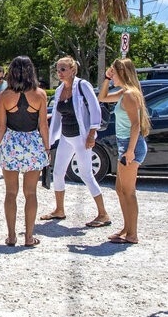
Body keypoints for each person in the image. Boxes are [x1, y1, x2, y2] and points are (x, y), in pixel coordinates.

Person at [42, 56, 111, 228]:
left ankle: (103, 214)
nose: (60, 73)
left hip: (81, 136)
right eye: (58, 69)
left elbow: (95, 109)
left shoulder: (82, 86)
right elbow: (59, 113)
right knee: (57, 172)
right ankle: (59, 209)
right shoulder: (59, 90)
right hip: (66, 136)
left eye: (63, 69)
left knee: (86, 174)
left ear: (73, 70)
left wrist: (91, 133)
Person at [0, 56, 50, 247]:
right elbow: (43, 125)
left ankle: (11, 237)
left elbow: (1, 127)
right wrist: (47, 147)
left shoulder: (4, 96)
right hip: (33, 143)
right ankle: (29, 237)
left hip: (11, 142)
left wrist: (1, 149)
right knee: (31, 193)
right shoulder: (41, 95)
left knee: (10, 193)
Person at [98, 57, 151, 245]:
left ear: (122, 73)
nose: (112, 76)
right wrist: (105, 78)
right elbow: (102, 97)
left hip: (132, 145)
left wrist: (129, 151)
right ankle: (126, 228)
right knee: (120, 190)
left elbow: (136, 125)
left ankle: (133, 234)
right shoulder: (123, 92)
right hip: (124, 143)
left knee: (129, 191)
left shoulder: (130, 94)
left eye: (113, 72)